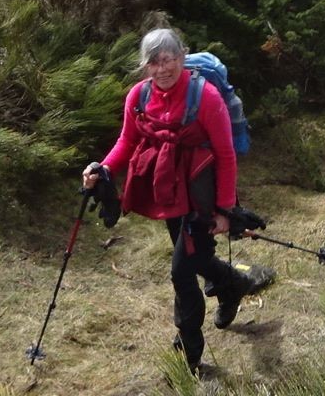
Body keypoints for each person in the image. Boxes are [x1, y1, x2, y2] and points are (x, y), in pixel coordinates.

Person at [82, 27, 254, 376]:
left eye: (170, 58)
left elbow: (225, 155)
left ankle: (188, 352)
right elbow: (127, 141)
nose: (163, 68)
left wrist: (224, 210)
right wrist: (102, 169)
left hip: (202, 196)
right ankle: (234, 283)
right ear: (145, 66)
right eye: (154, 62)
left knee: (181, 272)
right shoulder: (138, 97)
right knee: (195, 258)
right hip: (170, 191)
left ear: (182, 57)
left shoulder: (204, 97)